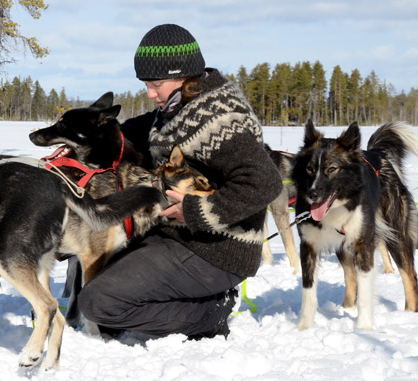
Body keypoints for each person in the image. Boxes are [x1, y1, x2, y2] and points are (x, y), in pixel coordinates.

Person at [77, 23, 283, 339]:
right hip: (174, 237)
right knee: (99, 282)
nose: (150, 93)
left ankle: (209, 312)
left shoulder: (220, 120)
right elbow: (130, 131)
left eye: (156, 83)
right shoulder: (177, 108)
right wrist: (81, 140)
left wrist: (195, 212)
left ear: (184, 76)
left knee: (98, 303)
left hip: (220, 250)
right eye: (146, 84)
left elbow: (265, 183)